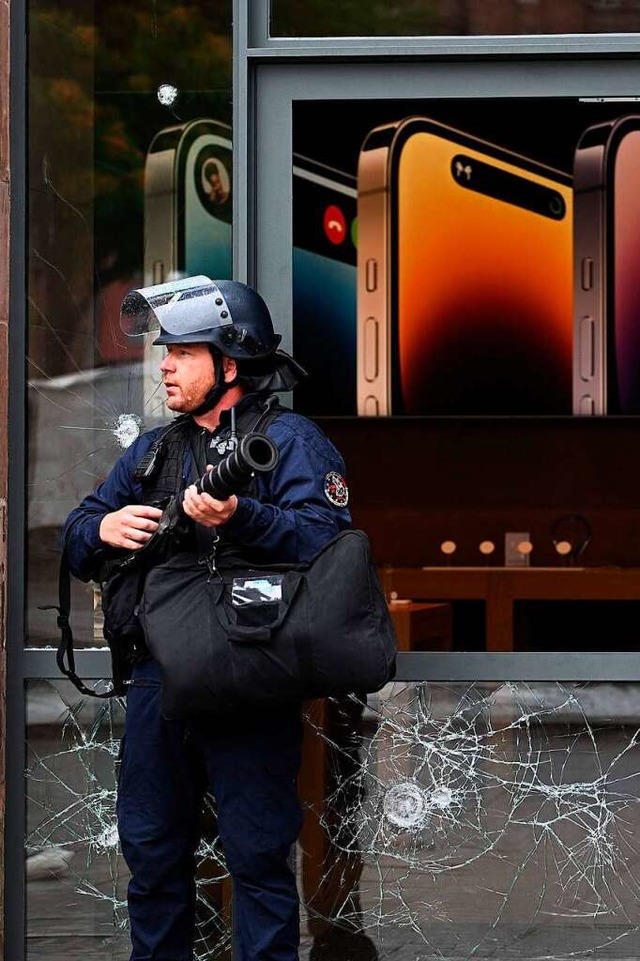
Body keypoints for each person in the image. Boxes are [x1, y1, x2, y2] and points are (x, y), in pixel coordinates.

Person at [62, 277, 352, 961]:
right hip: (161, 686)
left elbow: (331, 548)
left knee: (257, 860)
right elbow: (73, 540)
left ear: (231, 362)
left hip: (252, 681)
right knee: (153, 856)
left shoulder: (291, 442)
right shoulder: (151, 453)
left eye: (182, 351)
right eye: (166, 351)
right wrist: (104, 526)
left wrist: (243, 514)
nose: (164, 364)